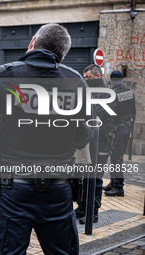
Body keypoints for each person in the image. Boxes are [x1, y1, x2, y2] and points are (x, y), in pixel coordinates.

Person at [0, 23, 92, 255]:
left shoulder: (2, 75)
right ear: (62, 54)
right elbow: (83, 137)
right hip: (58, 190)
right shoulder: (76, 81)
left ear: (32, 42)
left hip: (13, 190)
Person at [75, 64, 117, 224]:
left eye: (88, 77)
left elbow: (96, 114)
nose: (86, 80)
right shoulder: (87, 92)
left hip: (102, 143)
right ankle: (82, 208)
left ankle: (93, 212)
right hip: (87, 141)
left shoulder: (108, 94)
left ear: (97, 76)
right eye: (84, 77)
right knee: (84, 177)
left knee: (96, 179)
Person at [103, 70, 136, 196]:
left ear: (112, 80)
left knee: (116, 158)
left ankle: (118, 187)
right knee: (116, 156)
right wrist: (130, 127)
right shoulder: (129, 92)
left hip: (117, 129)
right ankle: (113, 182)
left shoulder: (113, 93)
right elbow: (133, 111)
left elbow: (109, 113)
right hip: (126, 128)